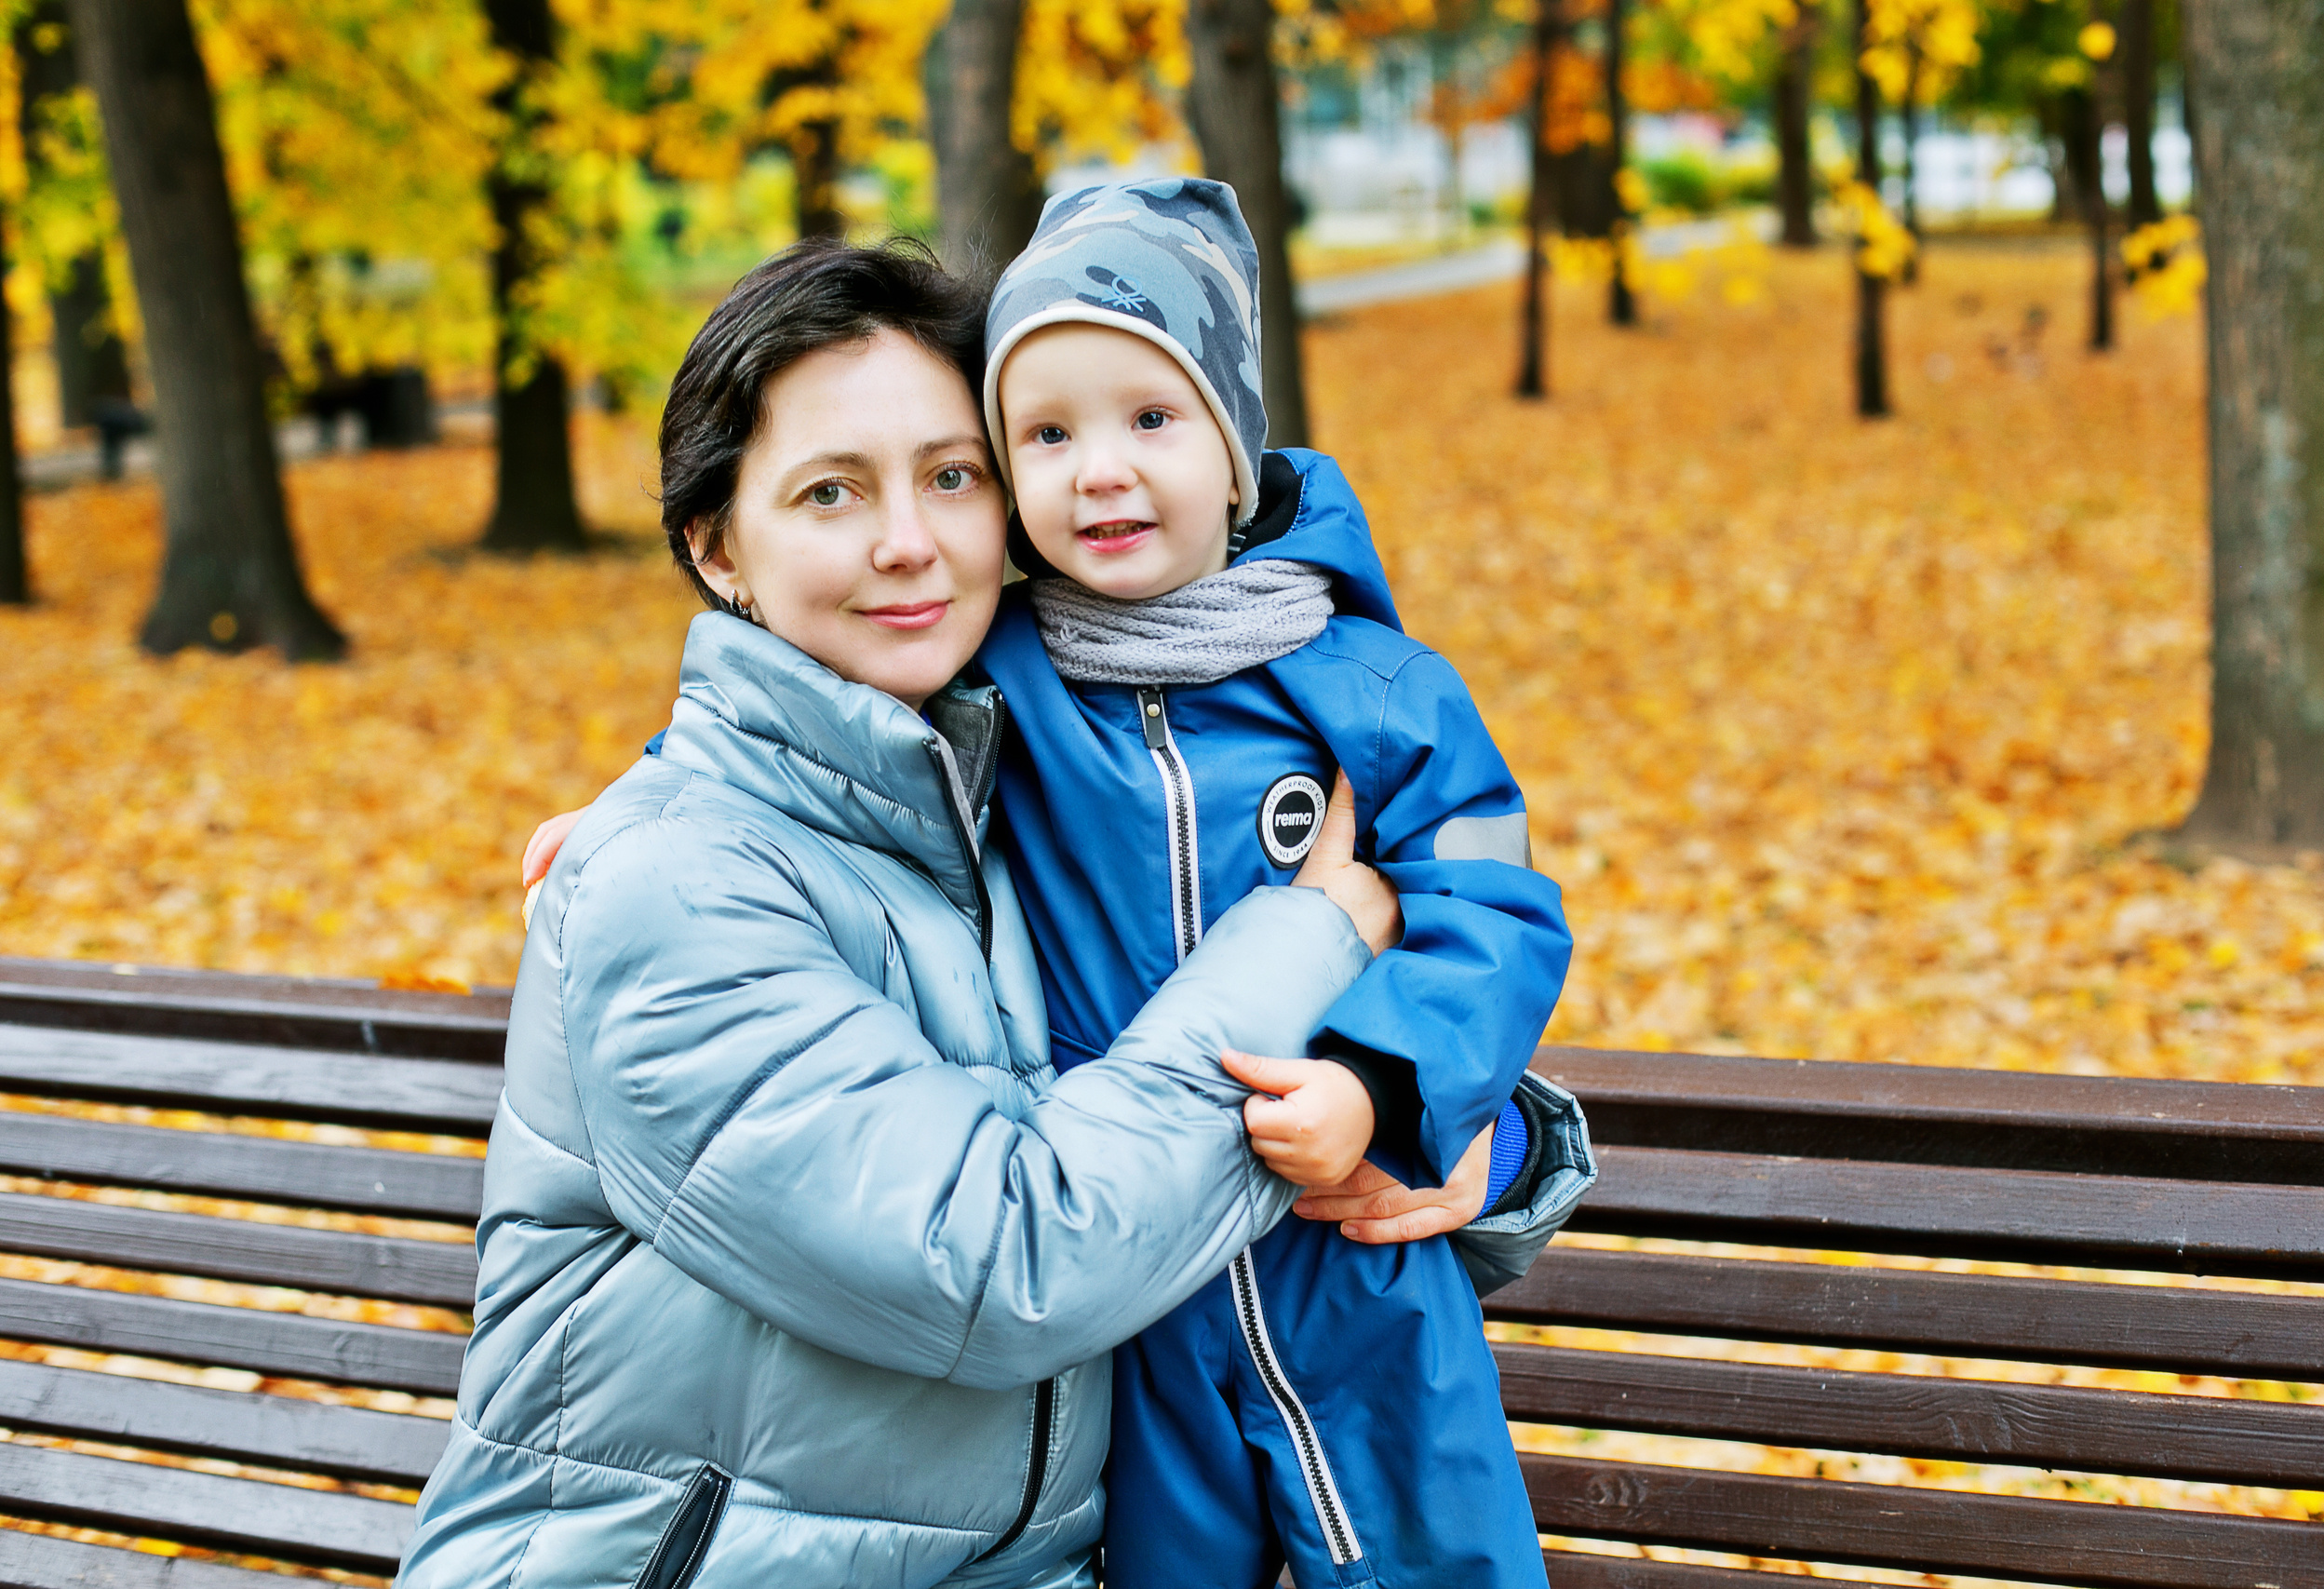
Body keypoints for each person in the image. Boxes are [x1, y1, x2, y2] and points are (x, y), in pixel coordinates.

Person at [398, 242, 1439, 1589]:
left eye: (953, 476)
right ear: (718, 548)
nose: (911, 543)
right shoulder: (667, 886)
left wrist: (1441, 1124)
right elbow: (1009, 1268)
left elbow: (1196, 1100)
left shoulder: (1027, 819)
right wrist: (1316, 935)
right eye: (831, 492)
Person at [973, 177, 1587, 1589]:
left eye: (1150, 418)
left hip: (1355, 1245)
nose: (1100, 470)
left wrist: (1381, 1083)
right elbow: (821, 735)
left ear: (1236, 448)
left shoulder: (1369, 685)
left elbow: (1490, 909)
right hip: (1134, 1281)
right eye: (1046, 433)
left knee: (1440, 1557)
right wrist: (649, 799)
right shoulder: (996, 682)